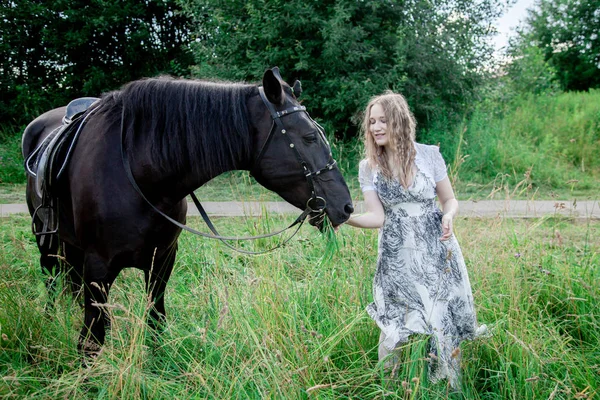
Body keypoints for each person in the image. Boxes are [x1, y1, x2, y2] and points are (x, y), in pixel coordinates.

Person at [345, 91, 486, 389]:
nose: (376, 127)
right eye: (372, 122)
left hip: (436, 249)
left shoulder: (429, 155)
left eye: (383, 120)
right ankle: (388, 386)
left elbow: (449, 200)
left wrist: (448, 216)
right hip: (396, 254)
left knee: (441, 317)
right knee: (392, 320)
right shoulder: (368, 167)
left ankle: (447, 387)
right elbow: (377, 217)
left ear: (399, 120)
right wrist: (346, 219)